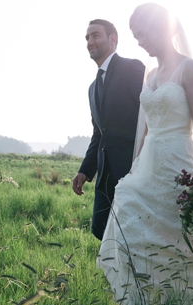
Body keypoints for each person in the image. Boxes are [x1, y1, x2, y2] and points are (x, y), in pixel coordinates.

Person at [98, 3, 193, 305]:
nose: (140, 41)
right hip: (150, 165)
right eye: (135, 36)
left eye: (143, 33)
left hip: (181, 163)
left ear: (162, 27)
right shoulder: (150, 75)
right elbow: (146, 129)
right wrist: (136, 168)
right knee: (132, 232)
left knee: (186, 242)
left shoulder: (190, 70)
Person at [72, 19, 145, 240]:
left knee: (134, 232)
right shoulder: (93, 87)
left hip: (134, 170)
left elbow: (149, 114)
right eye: (87, 38)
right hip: (105, 174)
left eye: (95, 35)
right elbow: (99, 133)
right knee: (100, 228)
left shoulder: (131, 68)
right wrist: (85, 170)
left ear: (112, 40)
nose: (89, 41)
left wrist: (143, 161)